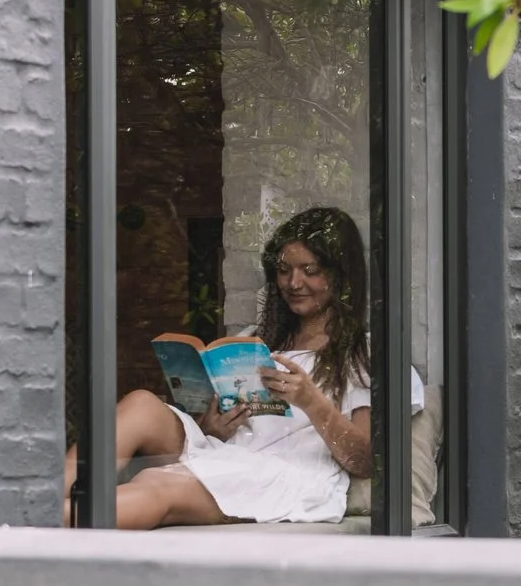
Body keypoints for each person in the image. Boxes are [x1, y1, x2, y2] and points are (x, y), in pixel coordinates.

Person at [67, 206, 415, 529]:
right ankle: (40, 497)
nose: (293, 283)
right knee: (142, 404)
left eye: (310, 270)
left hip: (290, 476)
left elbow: (365, 460)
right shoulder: (256, 341)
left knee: (160, 482)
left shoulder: (365, 354)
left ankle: (45, 520)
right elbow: (223, 433)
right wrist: (214, 427)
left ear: (341, 276)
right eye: (283, 270)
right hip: (229, 456)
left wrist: (312, 400)